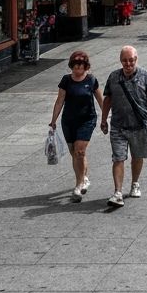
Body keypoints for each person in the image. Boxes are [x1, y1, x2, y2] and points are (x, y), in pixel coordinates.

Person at [100, 46, 147, 208]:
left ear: (136, 60)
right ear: (121, 61)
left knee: (137, 157)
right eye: (125, 61)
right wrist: (104, 119)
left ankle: (135, 183)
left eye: (131, 60)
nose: (128, 64)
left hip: (139, 126)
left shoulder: (145, 76)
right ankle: (117, 192)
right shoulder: (113, 77)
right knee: (118, 158)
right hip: (118, 126)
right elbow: (107, 99)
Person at [48, 50, 103, 201]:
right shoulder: (66, 80)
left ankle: (78, 185)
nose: (78, 68)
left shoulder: (91, 80)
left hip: (87, 120)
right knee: (75, 153)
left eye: (81, 65)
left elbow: (101, 100)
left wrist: (105, 119)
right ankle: (84, 177)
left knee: (80, 151)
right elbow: (60, 101)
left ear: (86, 66)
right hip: (68, 121)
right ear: (71, 66)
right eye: (75, 65)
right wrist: (53, 121)